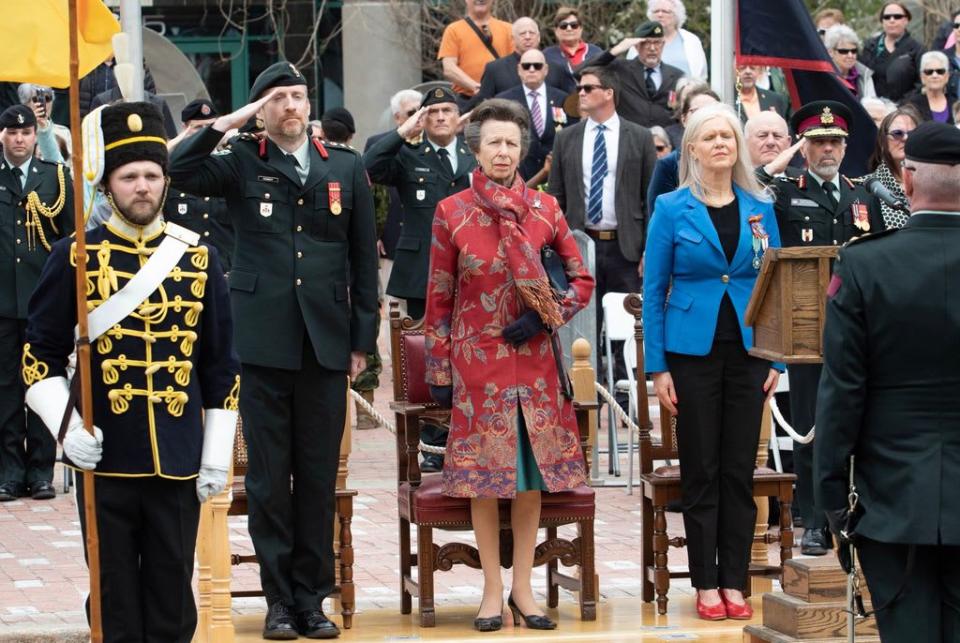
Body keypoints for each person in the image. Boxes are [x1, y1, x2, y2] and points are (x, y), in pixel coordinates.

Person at [168, 61, 378, 640]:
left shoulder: (346, 166)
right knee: (267, 478)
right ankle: (279, 600)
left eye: (298, 97)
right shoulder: (240, 162)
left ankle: (313, 599)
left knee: (315, 475)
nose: (292, 106)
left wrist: (362, 342)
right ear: (262, 110)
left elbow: (363, 261)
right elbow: (175, 168)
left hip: (325, 341)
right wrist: (230, 122)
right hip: (261, 342)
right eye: (279, 98)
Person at [22, 101, 240, 641]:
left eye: (151, 175)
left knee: (172, 596)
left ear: (166, 182)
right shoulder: (76, 256)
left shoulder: (199, 257)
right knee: (114, 597)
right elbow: (38, 356)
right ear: (108, 185)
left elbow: (220, 366)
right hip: (106, 455)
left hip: (178, 457)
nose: (142, 187)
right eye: (129, 177)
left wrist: (215, 456)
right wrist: (69, 433)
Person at [424, 98, 594, 632]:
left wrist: (548, 317)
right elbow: (439, 297)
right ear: (476, 148)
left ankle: (523, 588)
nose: (503, 151)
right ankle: (491, 591)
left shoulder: (545, 209)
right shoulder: (452, 211)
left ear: (523, 150)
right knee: (483, 482)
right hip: (478, 366)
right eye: (494, 142)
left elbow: (582, 279)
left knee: (527, 482)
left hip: (537, 366)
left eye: (512, 143)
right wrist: (440, 371)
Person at [814, 121, 960, 642]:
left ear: (910, 181)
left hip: (895, 496)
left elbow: (842, 390)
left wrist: (829, 492)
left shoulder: (865, 262)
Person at [644, 103, 782, 621]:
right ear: (693, 149)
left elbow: (776, 286)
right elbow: (654, 290)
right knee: (701, 469)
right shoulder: (671, 207)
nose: (721, 143)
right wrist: (658, 368)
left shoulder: (760, 207)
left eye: (728, 135)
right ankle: (705, 583)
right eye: (710, 137)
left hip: (750, 353)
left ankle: (735, 581)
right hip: (691, 355)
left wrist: (778, 359)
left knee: (738, 470)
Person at [758, 100, 883, 557]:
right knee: (810, 428)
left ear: (846, 146)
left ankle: (858, 516)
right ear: (803, 147)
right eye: (817, 141)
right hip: (808, 330)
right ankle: (814, 521)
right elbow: (749, 192)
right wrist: (782, 157)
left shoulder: (864, 194)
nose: (827, 149)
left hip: (859, 330)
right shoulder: (786, 190)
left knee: (859, 425)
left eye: (834, 141)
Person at [547, 66, 656, 410]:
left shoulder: (638, 137)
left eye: (588, 88)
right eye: (580, 88)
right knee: (582, 321)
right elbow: (556, 198)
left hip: (626, 246)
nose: (580, 93)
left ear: (608, 93)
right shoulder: (567, 138)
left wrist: (649, 250)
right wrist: (556, 247)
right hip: (581, 245)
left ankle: (624, 393)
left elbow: (650, 199)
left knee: (626, 323)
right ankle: (584, 390)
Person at [0, 105, 74, 503]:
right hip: (2, 302)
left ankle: (42, 471)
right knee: (6, 389)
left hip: (43, 301)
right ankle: (10, 473)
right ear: (2, 136)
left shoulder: (57, 178)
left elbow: (69, 242)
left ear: (35, 135)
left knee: (45, 384)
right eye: (11, 133)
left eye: (26, 132)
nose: (19, 139)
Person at [164, 99, 235, 272]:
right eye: (197, 128)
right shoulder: (170, 169)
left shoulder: (231, 165)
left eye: (210, 127)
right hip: (183, 271)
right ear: (184, 128)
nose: (206, 135)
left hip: (226, 269)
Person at [580, 21, 684, 128]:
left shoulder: (677, 76)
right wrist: (616, 50)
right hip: (629, 138)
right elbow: (581, 71)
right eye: (646, 43)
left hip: (664, 140)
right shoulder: (620, 69)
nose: (652, 48)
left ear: (663, 45)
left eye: (657, 42)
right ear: (636, 46)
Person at [495, 49, 569, 182]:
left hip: (557, 177)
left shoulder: (562, 99)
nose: (532, 69)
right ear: (519, 70)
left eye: (537, 66)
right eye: (526, 66)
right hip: (518, 177)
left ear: (546, 69)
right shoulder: (503, 101)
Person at [646, 86, 720, 213]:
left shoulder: (730, 157)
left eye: (712, 111)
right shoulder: (669, 165)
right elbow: (658, 216)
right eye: (697, 111)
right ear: (684, 119)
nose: (705, 117)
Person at [470, 18, 566, 108]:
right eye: (522, 34)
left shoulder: (556, 68)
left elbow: (569, 103)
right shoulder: (495, 69)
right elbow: (482, 105)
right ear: (513, 38)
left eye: (531, 33)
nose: (528, 37)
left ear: (539, 37)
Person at [437, 0, 513, 103]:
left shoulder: (508, 29)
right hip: (467, 100)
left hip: (502, 99)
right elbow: (449, 68)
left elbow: (515, 64)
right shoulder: (453, 30)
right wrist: (478, 88)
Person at [865, 105, 921, 229]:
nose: (906, 138)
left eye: (913, 134)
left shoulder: (933, 185)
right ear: (882, 141)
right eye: (897, 134)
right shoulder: (865, 187)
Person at [860, 3, 925, 103]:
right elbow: (862, 78)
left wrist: (900, 106)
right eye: (887, 17)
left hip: (905, 109)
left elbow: (921, 84)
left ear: (906, 20)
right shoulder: (870, 47)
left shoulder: (917, 49)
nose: (892, 20)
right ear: (882, 21)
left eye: (897, 16)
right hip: (873, 108)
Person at [542, 6, 602, 95]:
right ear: (556, 31)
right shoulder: (547, 55)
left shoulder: (596, 52)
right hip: (560, 104)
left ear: (581, 28)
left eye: (574, 25)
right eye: (563, 26)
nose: (569, 29)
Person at [645, 0, 707, 79]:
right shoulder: (641, 40)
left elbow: (702, 74)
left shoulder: (691, 41)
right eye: (656, 11)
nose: (660, 15)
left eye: (665, 11)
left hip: (686, 90)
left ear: (676, 16)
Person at [16, 84, 70, 161]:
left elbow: (69, 167)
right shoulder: (15, 131)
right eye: (36, 100)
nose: (43, 104)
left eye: (47, 99)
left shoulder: (63, 132)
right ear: (26, 104)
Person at [901, 51, 956, 124]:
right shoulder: (911, 105)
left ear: (947, 76)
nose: (934, 75)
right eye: (929, 72)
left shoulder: (956, 104)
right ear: (922, 77)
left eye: (940, 71)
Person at [825, 25, 877, 99]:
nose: (850, 55)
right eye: (843, 51)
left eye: (854, 51)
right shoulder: (825, 75)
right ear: (830, 52)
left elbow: (872, 101)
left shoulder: (864, 74)